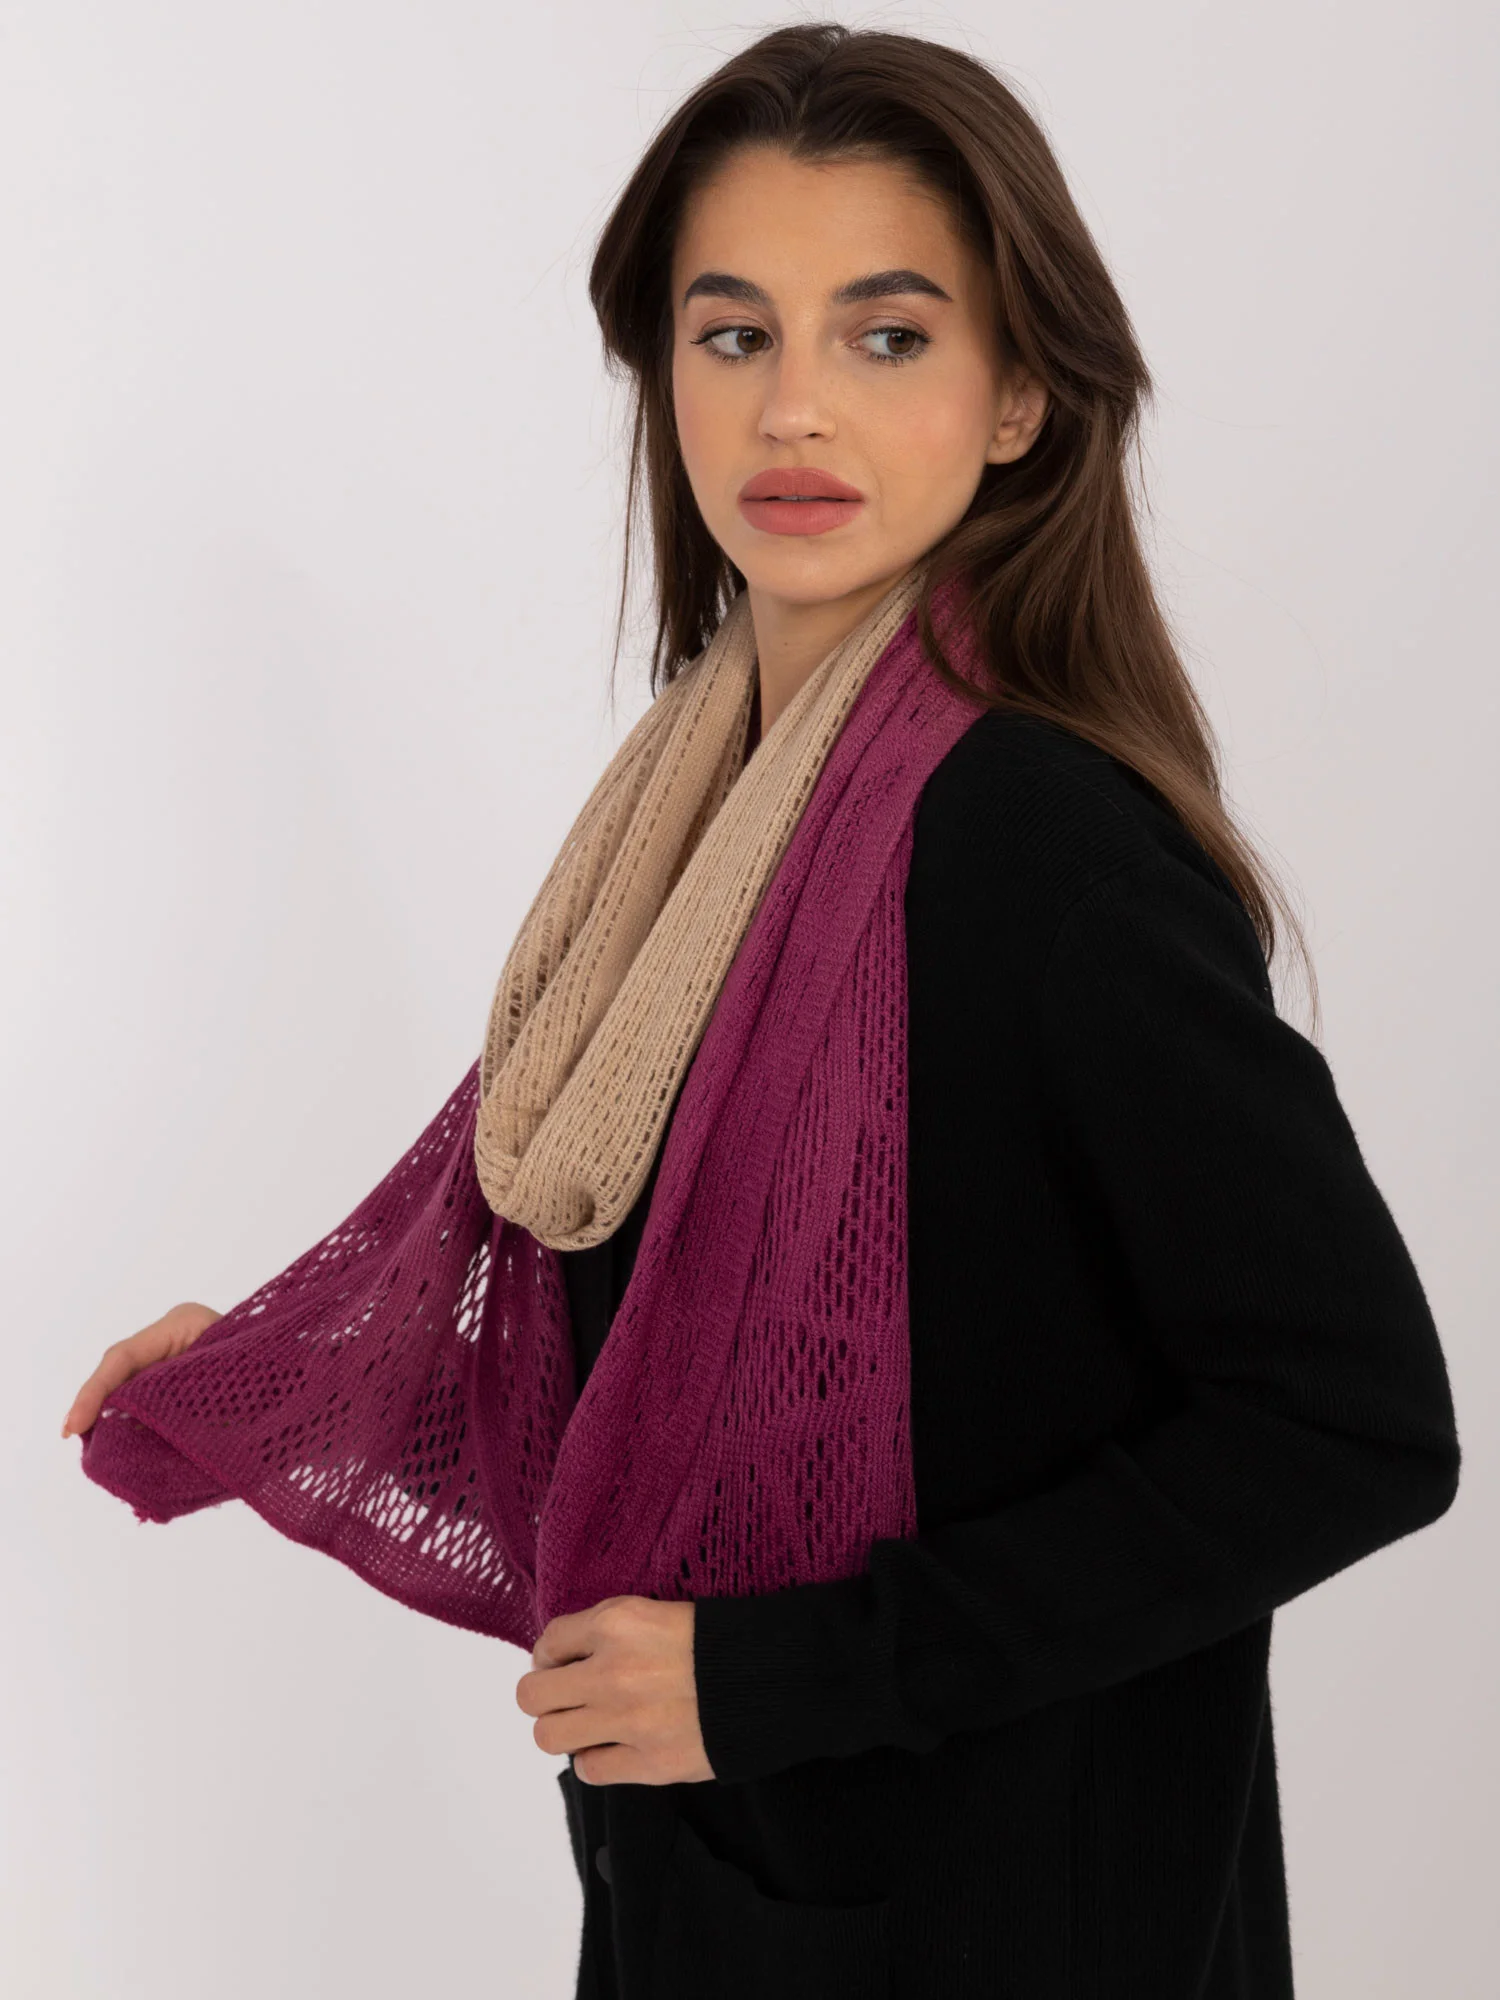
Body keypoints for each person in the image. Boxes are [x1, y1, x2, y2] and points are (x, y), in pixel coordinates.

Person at [63, 23, 1461, 2000]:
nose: (793, 406)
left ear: (1018, 396)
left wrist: (789, 1673)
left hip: (1010, 1929)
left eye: (886, 336)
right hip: (712, 1905)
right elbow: (633, 1377)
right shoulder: (687, 830)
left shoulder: (1044, 850)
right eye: (734, 335)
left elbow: (1352, 1421)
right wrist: (281, 1377)